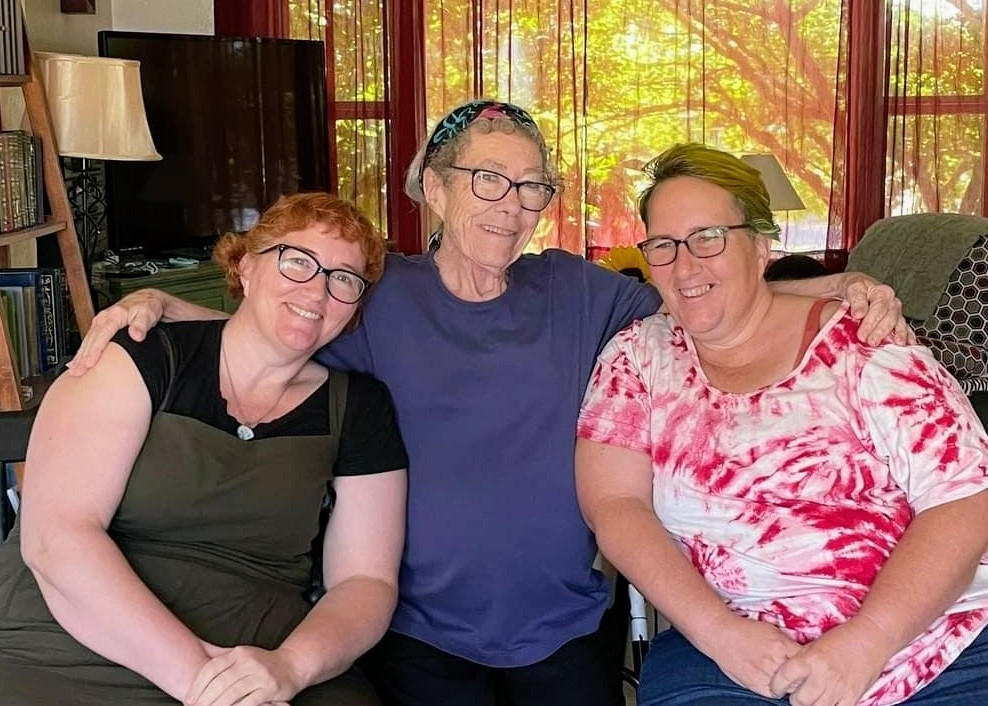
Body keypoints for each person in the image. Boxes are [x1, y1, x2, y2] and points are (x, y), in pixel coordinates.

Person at [67, 101, 910, 706]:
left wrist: (847, 286)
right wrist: (159, 308)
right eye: (490, 181)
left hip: (567, 626)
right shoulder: (376, 292)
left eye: (533, 187)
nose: (514, 207)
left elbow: (713, 294)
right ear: (434, 189)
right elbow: (276, 322)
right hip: (414, 629)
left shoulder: (579, 290)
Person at [575, 143, 988, 706]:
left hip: (933, 646)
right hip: (729, 649)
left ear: (762, 244)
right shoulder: (637, 359)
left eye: (709, 237)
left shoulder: (864, 343)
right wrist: (719, 634)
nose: (685, 264)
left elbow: (965, 499)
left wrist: (865, 644)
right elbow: (616, 506)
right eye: (664, 245)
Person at [0, 193, 409, 706]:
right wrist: (204, 684)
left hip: (261, 659)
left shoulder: (359, 408)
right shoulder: (142, 354)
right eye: (297, 261)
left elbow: (365, 580)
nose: (318, 289)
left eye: (343, 278)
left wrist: (289, 668)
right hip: (71, 646)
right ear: (245, 266)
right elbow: (55, 540)